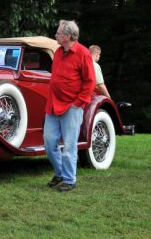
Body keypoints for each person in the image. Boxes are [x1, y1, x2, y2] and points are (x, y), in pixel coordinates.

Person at [43, 20, 96, 192]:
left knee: (69, 145)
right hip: (53, 105)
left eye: (58, 33)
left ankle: (69, 179)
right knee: (49, 142)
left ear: (67, 36)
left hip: (71, 107)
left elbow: (90, 82)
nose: (55, 36)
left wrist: (78, 103)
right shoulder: (58, 52)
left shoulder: (83, 53)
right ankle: (59, 173)